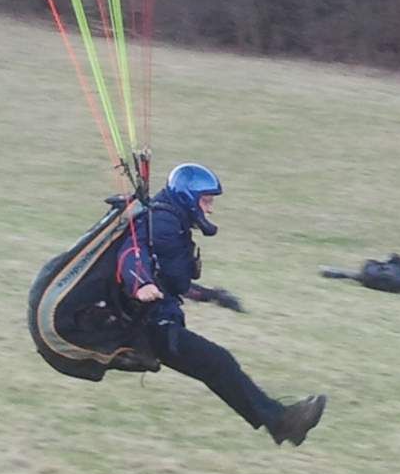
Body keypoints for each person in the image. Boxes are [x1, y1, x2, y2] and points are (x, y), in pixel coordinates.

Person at [116, 163, 326, 446]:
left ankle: (281, 422)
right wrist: (140, 283)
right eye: (206, 201)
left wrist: (210, 295)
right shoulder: (163, 223)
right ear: (188, 197)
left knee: (216, 364)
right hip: (145, 325)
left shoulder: (170, 221)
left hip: (150, 319)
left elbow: (169, 278)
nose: (210, 210)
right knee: (218, 362)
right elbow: (133, 251)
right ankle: (282, 423)